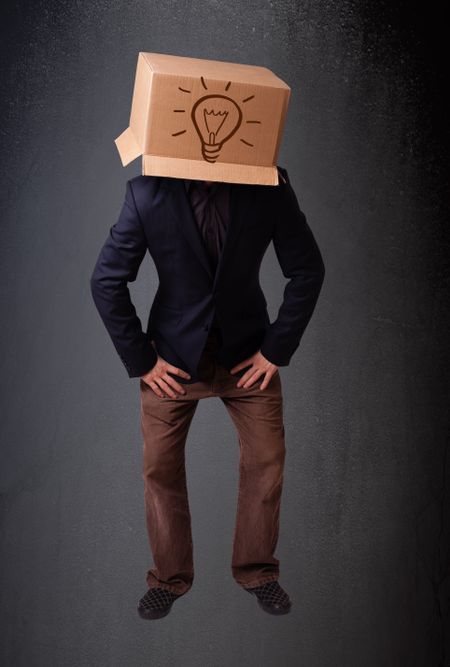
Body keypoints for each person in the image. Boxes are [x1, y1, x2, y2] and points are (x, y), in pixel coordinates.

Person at [90, 166, 325, 619]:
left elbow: (308, 269)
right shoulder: (146, 194)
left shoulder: (268, 184)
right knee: (159, 467)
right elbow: (106, 281)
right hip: (174, 361)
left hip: (248, 354)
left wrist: (276, 349)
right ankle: (169, 578)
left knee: (267, 460)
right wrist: (143, 360)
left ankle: (258, 571)